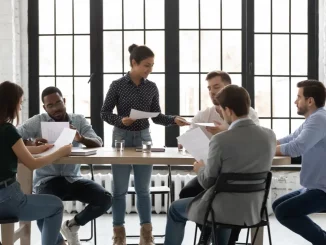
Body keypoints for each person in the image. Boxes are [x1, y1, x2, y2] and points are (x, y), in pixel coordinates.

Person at [164, 85, 276, 245]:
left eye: (222, 111)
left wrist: (199, 168)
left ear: (228, 110)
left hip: (221, 210)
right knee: (223, 204)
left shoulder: (221, 139)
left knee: (175, 209)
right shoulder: (270, 136)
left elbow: (208, 181)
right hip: (255, 209)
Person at [101, 44, 189, 245]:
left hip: (144, 137)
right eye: (146, 65)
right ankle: (119, 234)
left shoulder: (151, 87)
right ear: (134, 63)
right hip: (121, 138)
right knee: (119, 190)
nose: (149, 70)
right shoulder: (117, 85)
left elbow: (157, 117)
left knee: (143, 189)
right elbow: (104, 113)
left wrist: (173, 119)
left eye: (152, 66)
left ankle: (146, 233)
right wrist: (120, 120)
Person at [17, 86, 112, 245]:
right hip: (46, 179)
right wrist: (32, 143)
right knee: (43, 209)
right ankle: (59, 242)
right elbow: (15, 137)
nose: (55, 108)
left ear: (64, 101)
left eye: (58, 103)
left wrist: (81, 139)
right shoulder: (38, 121)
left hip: (72, 178)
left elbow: (98, 142)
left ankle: (72, 225)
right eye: (50, 105)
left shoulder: (78, 120)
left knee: (105, 199)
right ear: (44, 107)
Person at [178, 70, 260, 244]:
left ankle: (226, 239)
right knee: (187, 192)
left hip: (237, 172)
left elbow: (254, 137)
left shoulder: (247, 112)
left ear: (228, 88)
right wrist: (185, 141)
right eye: (209, 88)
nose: (212, 92)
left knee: (234, 198)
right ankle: (209, 232)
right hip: (213, 170)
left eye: (216, 87)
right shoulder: (204, 114)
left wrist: (226, 130)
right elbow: (189, 134)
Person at [0, 81, 72, 245]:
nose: (20, 107)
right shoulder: (7, 130)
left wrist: (43, 148)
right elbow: (31, 164)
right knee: (56, 206)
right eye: (20, 103)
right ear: (12, 103)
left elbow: (16, 151)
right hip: (8, 200)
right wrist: (60, 152)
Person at [273, 80, 326, 245]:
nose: (295, 101)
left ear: (310, 101)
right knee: (277, 205)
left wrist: (265, 150)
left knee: (283, 211)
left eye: (298, 97)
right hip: (313, 186)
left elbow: (297, 147)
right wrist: (264, 143)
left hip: (322, 190)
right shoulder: (313, 119)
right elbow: (290, 139)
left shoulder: (319, 119)